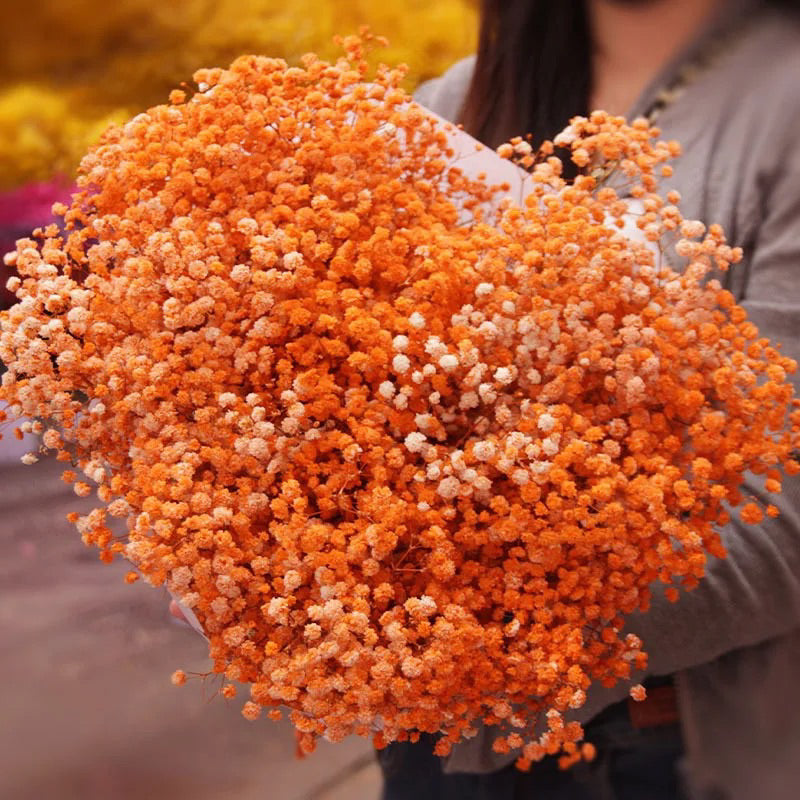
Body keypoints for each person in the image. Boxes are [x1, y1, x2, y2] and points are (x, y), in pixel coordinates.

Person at [376, 1, 800, 798]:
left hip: (661, 747)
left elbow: (782, 523)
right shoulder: (450, 105)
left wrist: (454, 638)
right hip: (430, 737)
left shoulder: (782, 111)